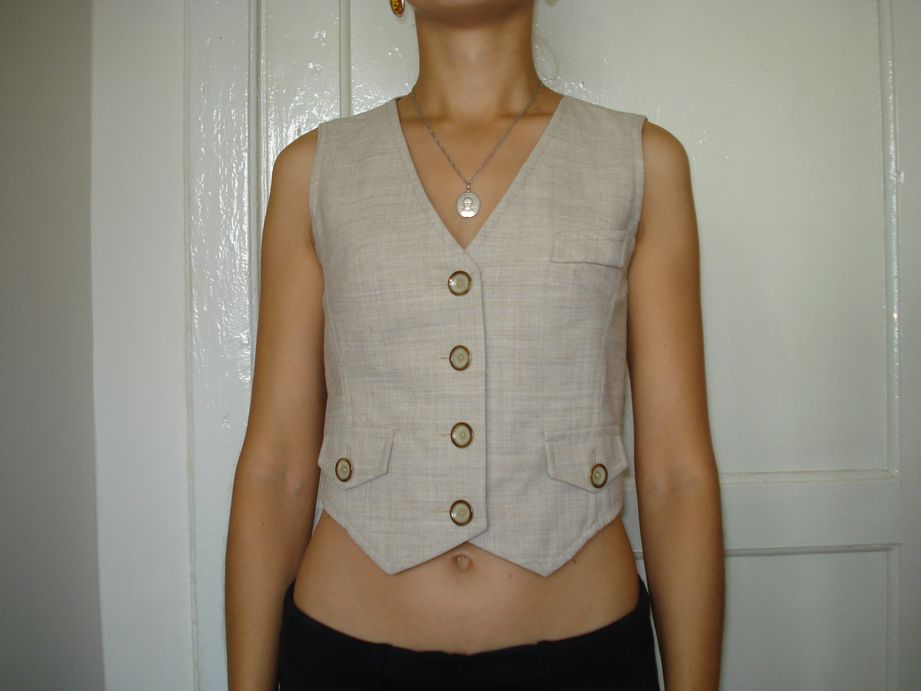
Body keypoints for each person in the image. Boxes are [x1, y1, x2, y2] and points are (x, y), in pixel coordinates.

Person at [224, 1, 725, 689]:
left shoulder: (639, 163)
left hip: (584, 660)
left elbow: (675, 472)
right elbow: (276, 464)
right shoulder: (313, 172)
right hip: (346, 657)